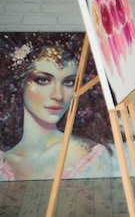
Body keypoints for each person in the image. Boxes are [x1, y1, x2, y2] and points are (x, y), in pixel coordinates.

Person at [0, 32, 116, 180]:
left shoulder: (88, 155)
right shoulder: (5, 161)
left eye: (69, 82)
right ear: (20, 83)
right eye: (43, 80)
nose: (58, 95)